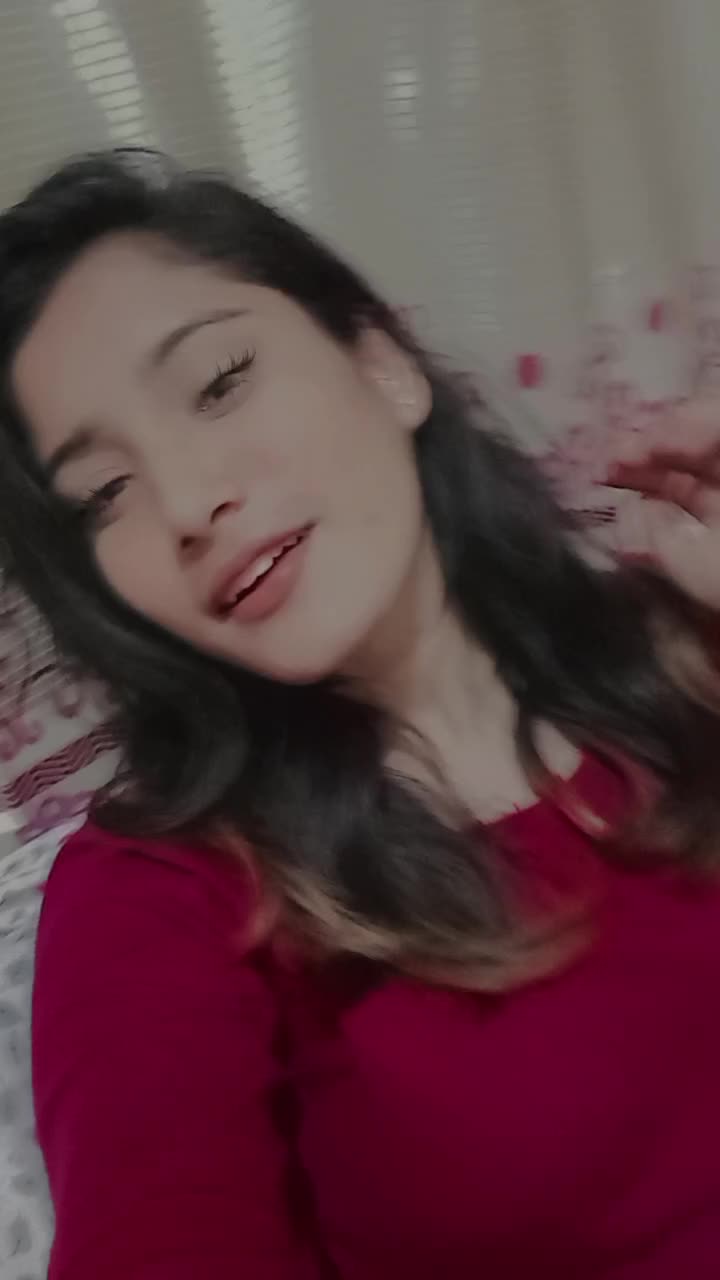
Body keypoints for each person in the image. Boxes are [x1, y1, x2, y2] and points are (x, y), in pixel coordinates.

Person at [1, 149, 720, 1280]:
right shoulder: (160, 893)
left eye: (219, 381)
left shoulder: (676, 638)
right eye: (104, 494)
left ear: (383, 363)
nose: (186, 504)